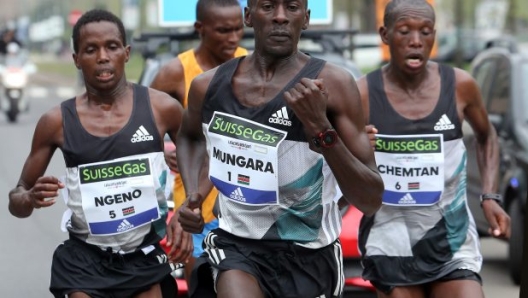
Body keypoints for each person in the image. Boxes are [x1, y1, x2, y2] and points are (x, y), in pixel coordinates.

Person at [175, 0, 385, 297]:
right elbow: (190, 137)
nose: (280, 17)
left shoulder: (335, 85)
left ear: (306, 18)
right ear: (248, 16)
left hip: (311, 254)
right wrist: (193, 194)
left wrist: (319, 128)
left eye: (292, 7)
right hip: (238, 244)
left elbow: (370, 198)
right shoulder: (208, 86)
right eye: (268, 6)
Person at [7, 9, 191, 298]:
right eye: (91, 49)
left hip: (143, 257)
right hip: (84, 262)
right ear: (76, 59)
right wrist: (29, 198)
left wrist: (185, 210)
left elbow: (201, 162)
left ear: (127, 53)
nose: (103, 56)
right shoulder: (56, 121)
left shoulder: (162, 108)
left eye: (112, 47)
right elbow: (16, 202)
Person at [356, 1, 511, 297]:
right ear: (385, 34)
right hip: (390, 237)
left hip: (449, 236)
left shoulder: (460, 85)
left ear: (434, 36)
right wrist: (359, 148)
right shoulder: (362, 92)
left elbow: (487, 135)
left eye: (425, 32)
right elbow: (339, 156)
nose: (416, 41)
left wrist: (489, 196)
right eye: (404, 32)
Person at [149, 0, 247, 285]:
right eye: (223, 30)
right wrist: (161, 152)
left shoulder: (250, 65)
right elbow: (141, 123)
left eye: (239, 29)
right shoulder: (175, 72)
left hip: (242, 201)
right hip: (193, 202)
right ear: (199, 29)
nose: (233, 38)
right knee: (201, 284)